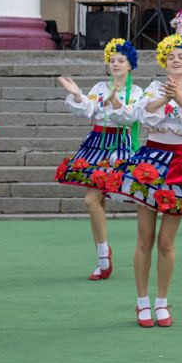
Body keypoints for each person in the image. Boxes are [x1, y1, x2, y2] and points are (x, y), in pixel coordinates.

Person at [116, 34, 182, 329]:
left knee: (166, 241)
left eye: (181, 56)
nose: (175, 60)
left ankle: (162, 301)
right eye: (171, 56)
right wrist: (166, 97)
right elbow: (139, 114)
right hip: (151, 161)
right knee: (144, 238)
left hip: (181, 164)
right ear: (164, 61)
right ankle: (141, 301)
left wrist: (180, 98)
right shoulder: (152, 88)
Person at [54, 37, 145, 280]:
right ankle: (102, 256)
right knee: (94, 202)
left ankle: (104, 256)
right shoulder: (99, 87)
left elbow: (131, 118)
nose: (115, 64)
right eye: (112, 60)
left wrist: (116, 101)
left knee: (92, 201)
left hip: (118, 147)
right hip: (96, 145)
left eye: (121, 60)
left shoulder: (136, 92)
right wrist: (76, 95)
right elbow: (89, 110)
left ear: (130, 65)